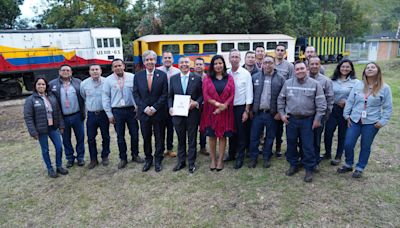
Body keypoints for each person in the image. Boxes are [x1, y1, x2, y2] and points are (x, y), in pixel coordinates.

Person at [337, 62, 392, 178]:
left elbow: (388, 108)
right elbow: (350, 101)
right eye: (367, 67)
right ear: (364, 72)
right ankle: (348, 164)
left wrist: (382, 122)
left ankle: (360, 167)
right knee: (348, 143)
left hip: (372, 123)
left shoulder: (385, 88)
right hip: (355, 120)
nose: (370, 69)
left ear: (378, 71)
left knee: (365, 146)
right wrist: (346, 115)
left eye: (373, 67)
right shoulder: (358, 85)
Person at [278, 61, 327, 183]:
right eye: (297, 69)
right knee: (291, 143)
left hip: (308, 120)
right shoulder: (288, 83)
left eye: (302, 68)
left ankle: (309, 168)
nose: (299, 71)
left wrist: (317, 119)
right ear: (294, 71)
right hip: (292, 120)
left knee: (308, 145)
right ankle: (293, 164)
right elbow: (281, 99)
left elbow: (321, 104)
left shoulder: (315, 84)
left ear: (307, 69)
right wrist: (282, 114)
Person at [102, 59, 144, 169]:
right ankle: (123, 158)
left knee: (134, 134)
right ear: (112, 68)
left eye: (119, 65)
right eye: (115, 66)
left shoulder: (132, 77)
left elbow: (137, 93)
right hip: (117, 111)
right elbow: (105, 98)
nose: (118, 68)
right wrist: (109, 114)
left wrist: (137, 107)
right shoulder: (108, 81)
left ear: (124, 66)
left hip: (131, 110)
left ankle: (135, 155)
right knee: (120, 136)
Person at [24, 77, 69, 178]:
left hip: (53, 128)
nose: (41, 86)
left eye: (43, 84)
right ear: (35, 86)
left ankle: (59, 166)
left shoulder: (51, 97)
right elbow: (28, 117)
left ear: (46, 86)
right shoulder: (30, 100)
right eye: (39, 84)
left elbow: (58, 112)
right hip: (41, 130)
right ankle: (50, 169)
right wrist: (33, 132)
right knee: (45, 150)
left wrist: (61, 125)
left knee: (59, 147)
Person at [133, 50, 169, 172]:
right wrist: (145, 108)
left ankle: (158, 160)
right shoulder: (138, 76)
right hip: (144, 114)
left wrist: (154, 108)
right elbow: (136, 94)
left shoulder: (162, 75)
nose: (150, 62)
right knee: (146, 137)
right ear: (144, 62)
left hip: (158, 113)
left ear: (155, 61)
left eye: (152, 59)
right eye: (147, 60)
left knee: (159, 137)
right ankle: (148, 159)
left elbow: (164, 94)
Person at [248, 55, 285, 169]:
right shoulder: (254, 77)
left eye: (270, 62)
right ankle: (253, 158)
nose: (268, 65)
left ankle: (266, 157)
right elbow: (250, 95)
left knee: (269, 137)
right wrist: (249, 110)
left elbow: (284, 97)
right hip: (257, 113)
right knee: (254, 137)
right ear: (262, 64)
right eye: (265, 62)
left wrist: (280, 112)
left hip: (272, 114)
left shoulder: (280, 79)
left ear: (274, 64)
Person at [200, 55, 235, 172]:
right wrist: (217, 104)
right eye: (215, 64)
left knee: (223, 136)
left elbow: (232, 94)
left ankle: (220, 160)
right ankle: (213, 159)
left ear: (224, 64)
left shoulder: (229, 78)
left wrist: (224, 106)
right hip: (211, 112)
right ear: (212, 66)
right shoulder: (207, 78)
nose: (218, 65)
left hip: (225, 112)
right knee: (212, 136)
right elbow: (206, 95)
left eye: (220, 63)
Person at [168, 56, 203, 173]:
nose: (184, 64)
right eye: (182, 62)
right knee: (180, 139)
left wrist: (197, 103)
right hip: (178, 114)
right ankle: (181, 161)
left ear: (190, 64)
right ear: (178, 64)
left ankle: (192, 163)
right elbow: (170, 96)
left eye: (186, 62)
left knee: (192, 139)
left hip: (192, 114)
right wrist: (170, 107)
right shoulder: (173, 79)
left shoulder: (197, 78)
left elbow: (201, 95)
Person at [49, 64, 85, 168]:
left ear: (71, 72)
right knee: (65, 139)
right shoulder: (52, 84)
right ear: (59, 72)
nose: (66, 72)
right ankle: (69, 158)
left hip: (77, 115)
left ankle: (80, 157)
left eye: (68, 70)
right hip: (63, 117)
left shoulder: (78, 82)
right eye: (63, 70)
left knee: (80, 137)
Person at [323, 60, 358, 165]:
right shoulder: (331, 80)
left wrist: (347, 102)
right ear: (339, 67)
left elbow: (358, 97)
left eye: (348, 67)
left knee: (342, 134)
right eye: (343, 66)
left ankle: (338, 156)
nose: (345, 69)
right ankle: (327, 153)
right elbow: (327, 94)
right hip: (332, 109)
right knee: (328, 132)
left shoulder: (356, 82)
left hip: (346, 111)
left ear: (351, 69)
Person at [225, 49, 253, 169]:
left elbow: (249, 93)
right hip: (228, 108)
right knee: (231, 132)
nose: (235, 59)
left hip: (240, 107)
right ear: (229, 59)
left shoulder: (245, 73)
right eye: (233, 57)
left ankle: (240, 157)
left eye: (237, 57)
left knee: (241, 134)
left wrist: (246, 111)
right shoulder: (226, 73)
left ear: (240, 59)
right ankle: (231, 154)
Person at [81, 65, 111, 169]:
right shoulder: (84, 84)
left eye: (96, 69)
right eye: (92, 70)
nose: (95, 71)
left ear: (101, 71)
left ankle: (105, 156)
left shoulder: (106, 82)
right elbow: (83, 96)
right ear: (89, 72)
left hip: (103, 114)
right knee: (90, 138)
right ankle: (93, 159)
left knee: (105, 136)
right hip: (91, 114)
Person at [307, 56, 334, 169]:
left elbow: (330, 100)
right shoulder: (302, 78)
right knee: (304, 139)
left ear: (320, 65)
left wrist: (324, 117)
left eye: (316, 64)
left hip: (318, 116)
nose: (314, 66)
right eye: (312, 64)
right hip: (304, 116)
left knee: (316, 139)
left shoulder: (326, 81)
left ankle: (315, 161)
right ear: (308, 65)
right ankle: (305, 158)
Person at [157, 51, 180, 158]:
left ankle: (170, 148)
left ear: (173, 59)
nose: (167, 59)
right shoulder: (157, 71)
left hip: (174, 103)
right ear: (162, 60)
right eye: (165, 58)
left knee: (171, 127)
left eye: (169, 58)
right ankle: (160, 149)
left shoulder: (177, 71)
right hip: (161, 103)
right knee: (160, 128)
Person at [273, 44, 295, 157]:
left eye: (282, 50)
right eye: (278, 50)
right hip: (271, 98)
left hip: (283, 99)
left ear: (285, 53)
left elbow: (291, 83)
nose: (280, 52)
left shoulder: (289, 66)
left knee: (280, 125)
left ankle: (278, 147)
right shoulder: (270, 63)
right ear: (275, 51)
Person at [193, 57, 209, 155]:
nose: (199, 66)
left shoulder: (207, 77)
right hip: (194, 106)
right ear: (194, 66)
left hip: (205, 106)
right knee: (193, 128)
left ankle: (203, 147)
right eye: (197, 64)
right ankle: (192, 146)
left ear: (204, 66)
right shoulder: (191, 77)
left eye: (200, 64)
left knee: (204, 127)